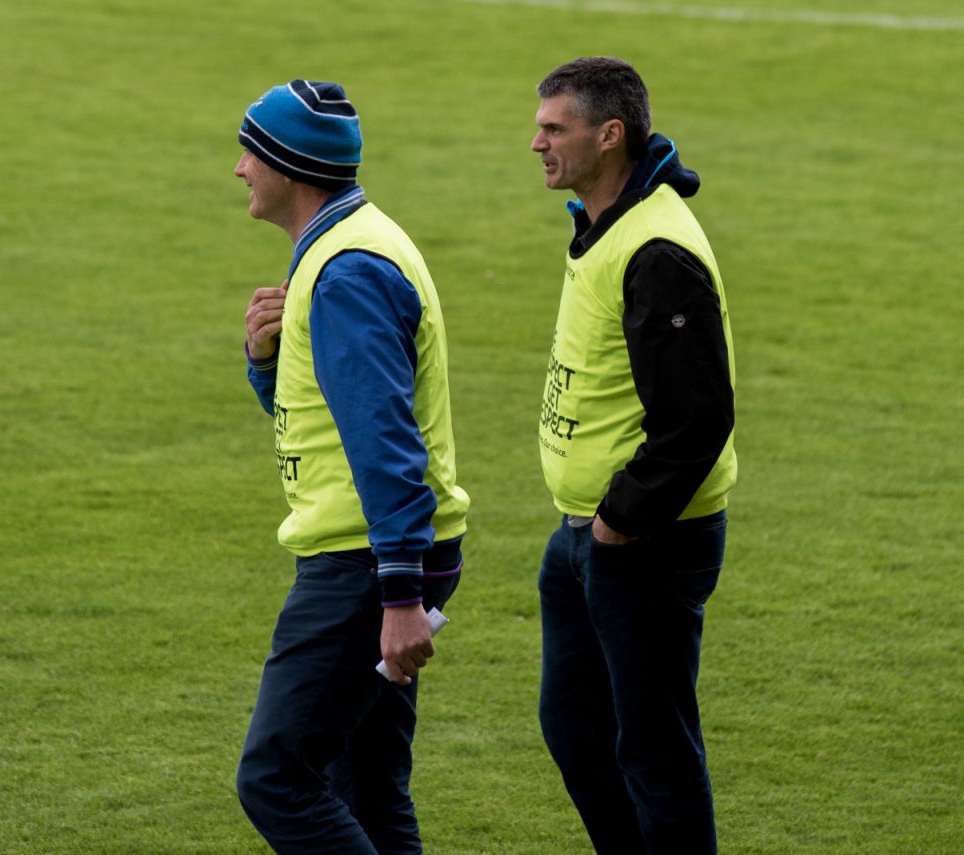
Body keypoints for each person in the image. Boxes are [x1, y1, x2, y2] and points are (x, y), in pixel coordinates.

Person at [230, 80, 470, 854]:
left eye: (251, 151)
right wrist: (267, 364)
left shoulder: (347, 273)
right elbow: (324, 415)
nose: (239, 168)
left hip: (362, 565)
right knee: (364, 783)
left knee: (276, 775)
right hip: (381, 555)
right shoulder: (346, 249)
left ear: (290, 167)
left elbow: (383, 438)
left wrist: (397, 591)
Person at [529, 57, 737, 853]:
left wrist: (619, 521)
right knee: (576, 727)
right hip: (582, 535)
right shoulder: (604, 221)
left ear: (608, 135)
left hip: (643, 540)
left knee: (653, 747)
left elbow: (697, 419)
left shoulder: (657, 251)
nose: (537, 142)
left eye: (555, 127)